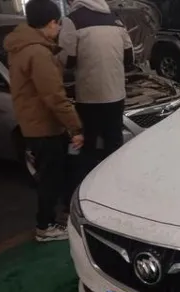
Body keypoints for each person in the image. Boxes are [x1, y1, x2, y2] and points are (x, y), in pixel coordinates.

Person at [4, 0, 84, 242]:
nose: (58, 29)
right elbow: (54, 96)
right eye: (58, 24)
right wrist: (75, 127)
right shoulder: (38, 53)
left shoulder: (20, 47)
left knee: (51, 174)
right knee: (51, 178)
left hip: (34, 123)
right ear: (51, 23)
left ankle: (53, 219)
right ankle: (45, 226)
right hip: (44, 125)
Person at [58, 0, 134, 171]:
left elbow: (67, 60)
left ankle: (87, 180)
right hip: (116, 94)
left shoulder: (72, 20)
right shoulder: (115, 19)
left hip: (89, 96)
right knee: (114, 142)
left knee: (88, 144)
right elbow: (130, 57)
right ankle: (112, 177)